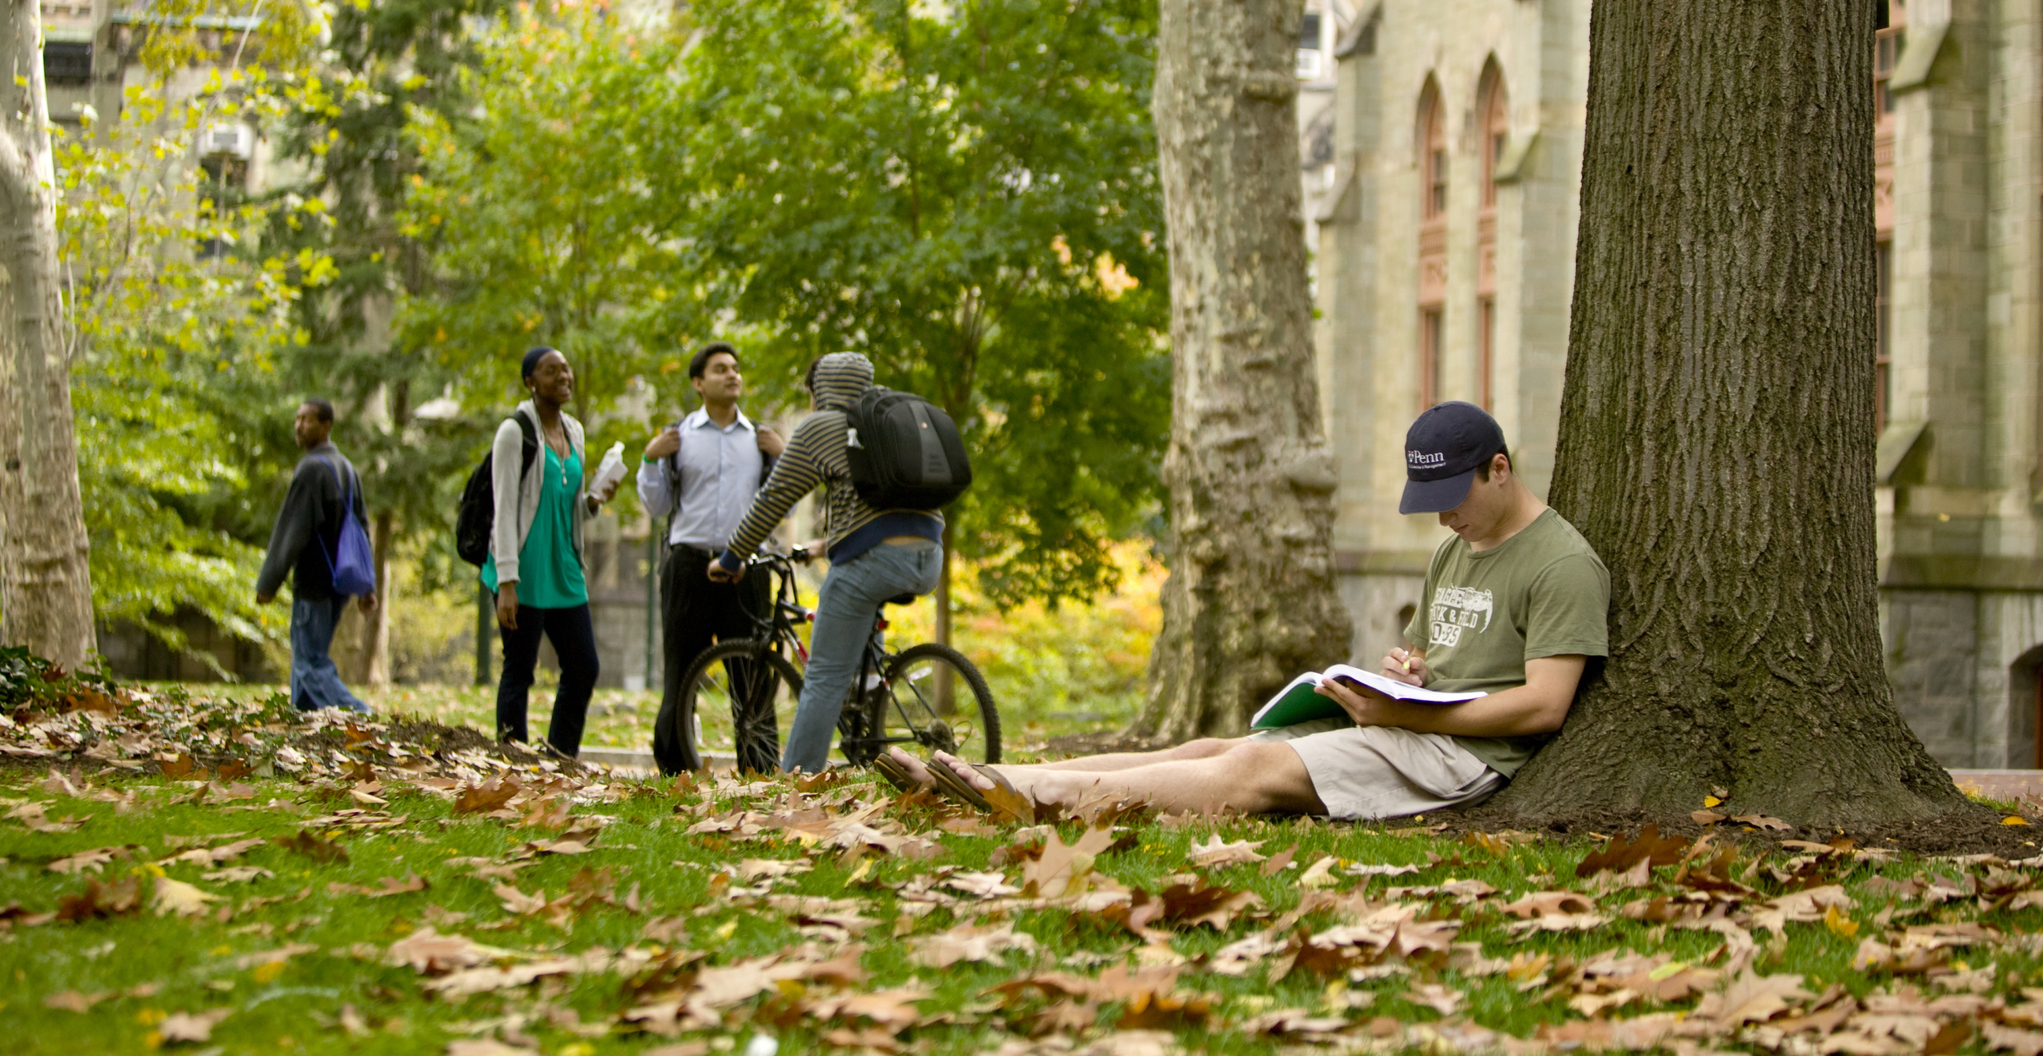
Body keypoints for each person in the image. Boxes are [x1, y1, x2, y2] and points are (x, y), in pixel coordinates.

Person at [887, 401, 1611, 820]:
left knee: (1247, 773)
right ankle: (990, 772)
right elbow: (1426, 652)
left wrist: (1412, 715)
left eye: (1452, 497)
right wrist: (1405, 670)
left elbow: (1544, 707)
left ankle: (1023, 795)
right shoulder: (1459, 544)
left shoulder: (1561, 563)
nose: (1441, 517)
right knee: (1208, 751)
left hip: (1460, 755)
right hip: (1414, 724)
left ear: (1500, 469)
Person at [711, 352, 946, 774]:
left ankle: (795, 784)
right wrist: (824, 545)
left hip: (875, 561)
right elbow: (874, 505)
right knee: (856, 617)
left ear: (820, 388)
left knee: (822, 677)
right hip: (929, 555)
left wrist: (731, 557)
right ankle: (869, 716)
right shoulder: (892, 417)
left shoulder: (823, 425)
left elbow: (773, 499)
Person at [638, 342, 787, 774]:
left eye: (736, 369)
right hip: (689, 566)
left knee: (754, 672)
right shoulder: (678, 436)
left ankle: (759, 768)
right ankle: (675, 769)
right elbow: (658, 505)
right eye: (721, 369)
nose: (732, 375)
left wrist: (780, 456)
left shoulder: (760, 439)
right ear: (699, 383)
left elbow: (784, 506)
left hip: (748, 568)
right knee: (682, 670)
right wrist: (650, 459)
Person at [482, 347, 622, 759]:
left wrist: (595, 500)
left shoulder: (575, 431)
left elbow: (568, 507)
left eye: (565, 369)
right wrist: (506, 581)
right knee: (519, 669)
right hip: (522, 569)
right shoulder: (514, 431)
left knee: (583, 667)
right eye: (550, 370)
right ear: (530, 381)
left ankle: (560, 759)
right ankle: (512, 759)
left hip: (563, 568)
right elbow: (505, 507)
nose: (562, 376)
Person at [256, 398, 377, 714]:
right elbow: (362, 530)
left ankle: (359, 713)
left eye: (307, 419)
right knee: (306, 656)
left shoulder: (311, 469)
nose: (299, 425)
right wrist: (366, 587)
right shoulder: (347, 468)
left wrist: (268, 582)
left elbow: (291, 529)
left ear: (326, 425)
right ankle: (302, 721)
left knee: (310, 661)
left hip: (313, 583)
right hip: (340, 583)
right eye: (297, 419)